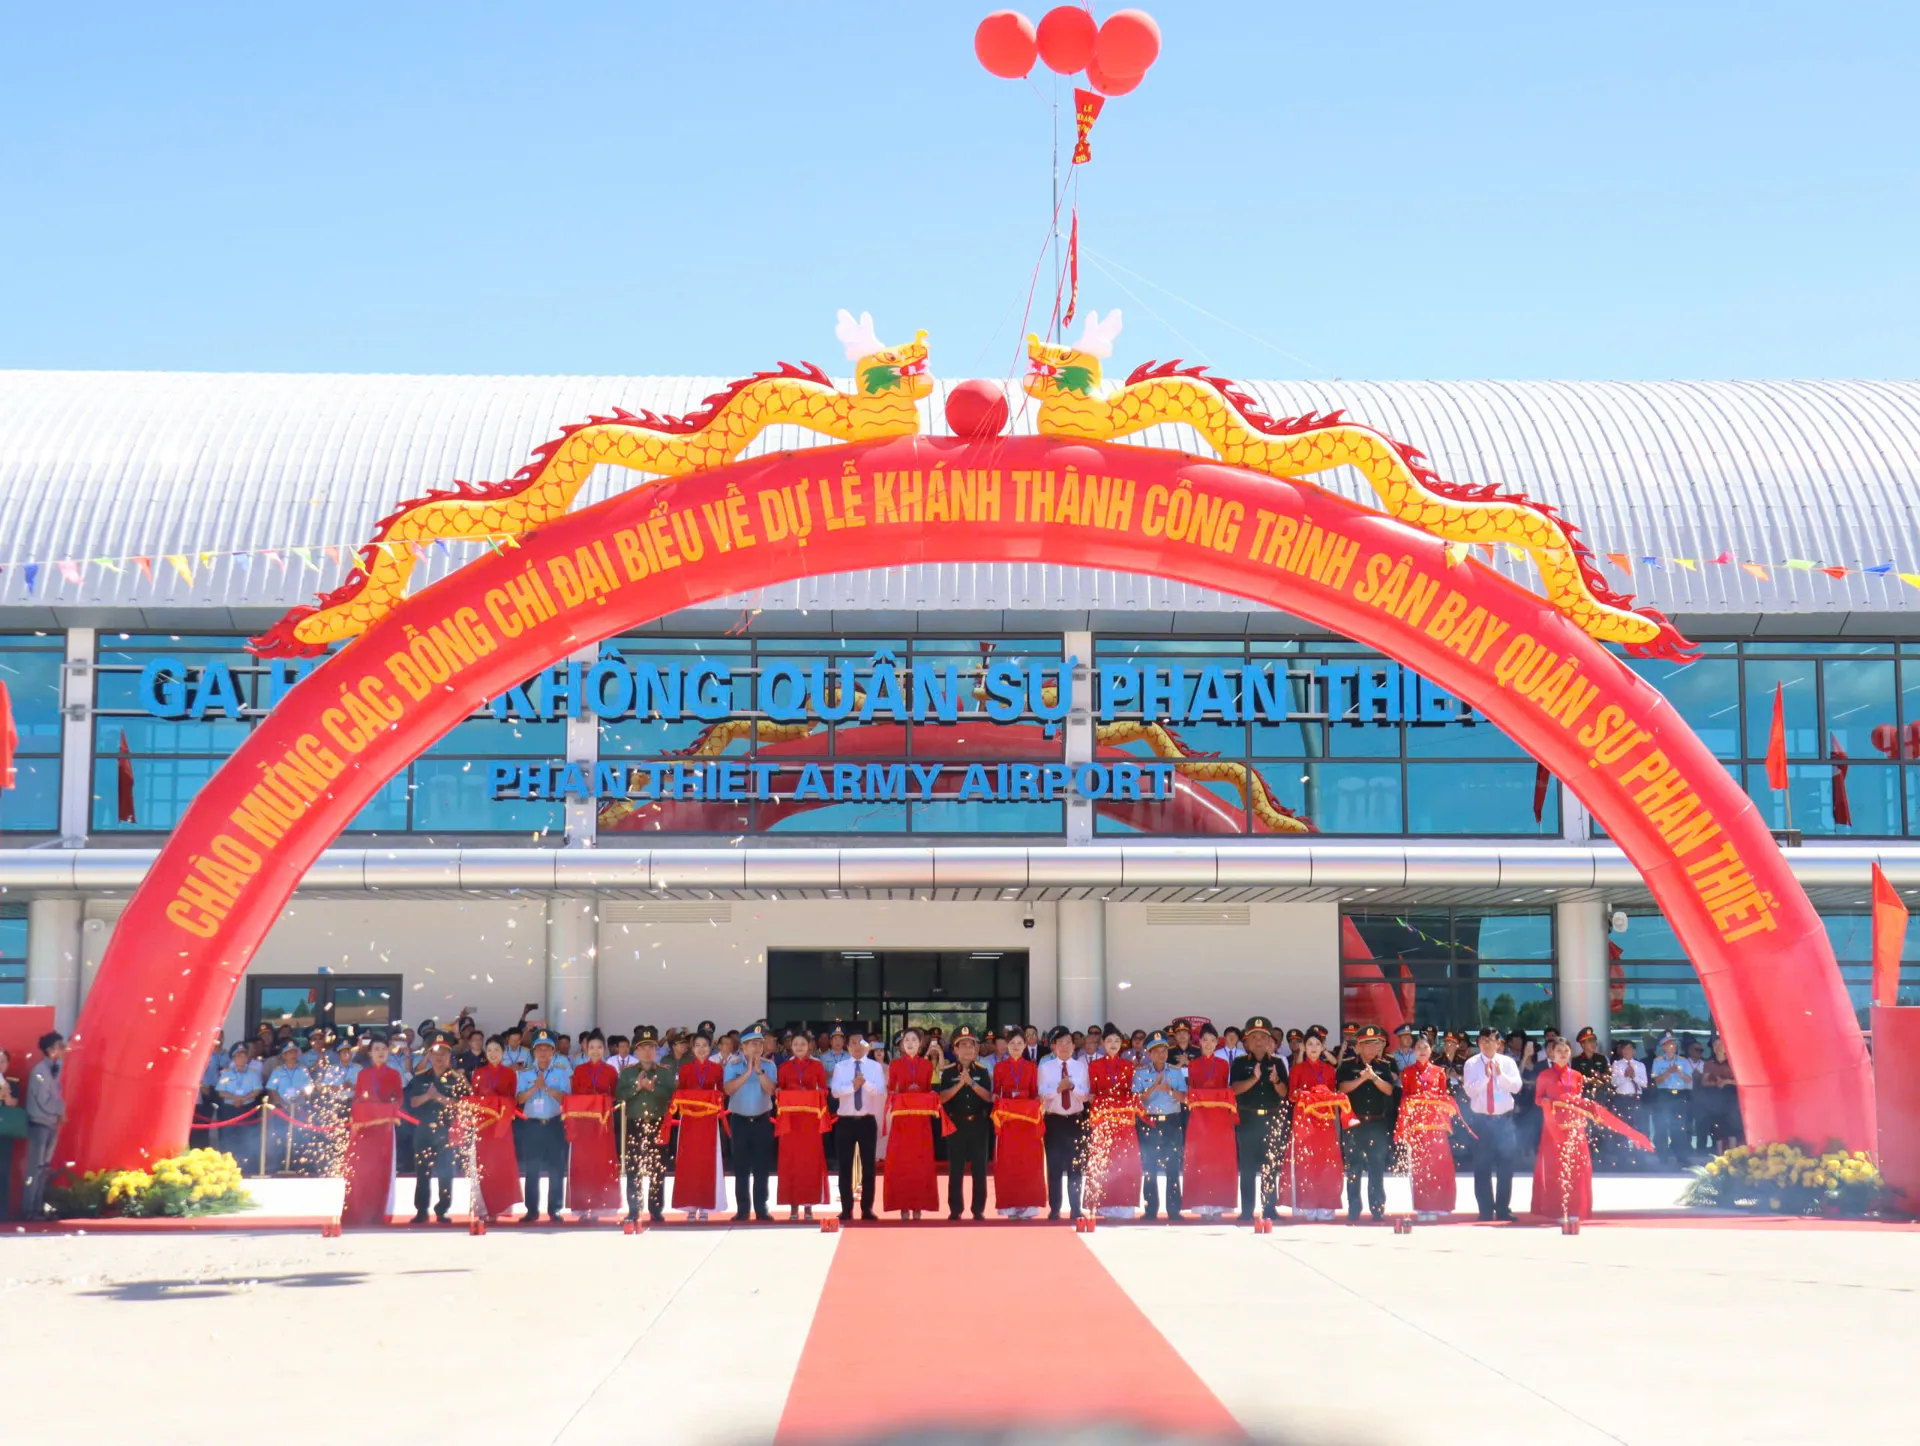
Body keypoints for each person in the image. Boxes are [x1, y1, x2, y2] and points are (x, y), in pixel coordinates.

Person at [1532, 1037, 1652, 1220]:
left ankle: (1576, 1208)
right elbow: (1538, 1098)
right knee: (1555, 1167)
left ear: (1570, 1053)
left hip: (1575, 1127)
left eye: (1566, 1051)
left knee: (1579, 1168)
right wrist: (1548, 1103)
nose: (1562, 1054)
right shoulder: (1544, 1075)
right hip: (1554, 1127)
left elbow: (1578, 1098)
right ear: (1552, 1053)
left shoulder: (1577, 1075)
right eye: (1559, 1051)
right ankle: (1557, 1209)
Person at [1337, 1024, 1400, 1222]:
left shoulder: (1383, 1066)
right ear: (1359, 1046)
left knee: (1376, 1166)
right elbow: (1342, 1089)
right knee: (1353, 1167)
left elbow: (1389, 1090)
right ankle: (1354, 1207)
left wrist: (1373, 1077)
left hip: (1377, 1123)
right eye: (1369, 1044)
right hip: (1354, 1123)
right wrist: (1361, 1079)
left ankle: (1377, 1207)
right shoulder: (1347, 1065)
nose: (1374, 1048)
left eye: (1376, 1044)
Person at [342, 1037, 405, 1227]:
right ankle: (360, 1211)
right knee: (363, 1169)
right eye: (376, 1049)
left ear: (388, 1052)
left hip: (384, 1129)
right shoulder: (363, 1074)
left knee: (381, 1170)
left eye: (383, 1048)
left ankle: (379, 1211)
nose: (380, 1052)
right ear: (370, 1053)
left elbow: (399, 1099)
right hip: (365, 1130)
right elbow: (357, 1099)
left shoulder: (394, 1074)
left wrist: (388, 1108)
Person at [1394, 1034, 1459, 1221]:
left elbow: (1443, 1096)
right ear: (1414, 1051)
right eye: (1418, 1048)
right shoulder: (1407, 1073)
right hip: (1417, 1126)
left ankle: (1442, 1203)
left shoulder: (1439, 1072)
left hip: (1436, 1125)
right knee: (1420, 1166)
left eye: (1425, 1047)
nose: (1422, 1051)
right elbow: (1405, 1099)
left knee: (1441, 1164)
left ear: (1431, 1050)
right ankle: (1423, 1206)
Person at [1460, 1026, 1522, 1221]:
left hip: (1504, 1120)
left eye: (1491, 1040)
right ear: (1479, 1043)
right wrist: (1486, 1077)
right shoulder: (1471, 1063)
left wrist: (1500, 1075)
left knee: (1506, 1166)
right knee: (1482, 1167)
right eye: (1483, 1040)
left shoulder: (1507, 1062)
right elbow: (1469, 1091)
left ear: (1499, 1043)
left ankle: (1503, 1209)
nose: (1487, 1044)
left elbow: (1517, 1087)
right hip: (1481, 1120)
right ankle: (1485, 1210)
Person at [1230, 1016, 1288, 1222]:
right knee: (1246, 1168)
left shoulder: (1277, 1063)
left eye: (1263, 1037)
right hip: (1248, 1120)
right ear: (1246, 1041)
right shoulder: (1239, 1062)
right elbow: (1234, 1089)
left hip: (1271, 1120)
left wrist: (1276, 1080)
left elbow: (1284, 1093)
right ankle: (1247, 1211)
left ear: (1270, 1040)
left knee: (1270, 1167)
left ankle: (1269, 1209)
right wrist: (1254, 1078)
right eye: (1254, 1037)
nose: (1258, 1041)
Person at [1283, 1027, 1345, 1219]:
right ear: (1303, 1046)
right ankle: (1307, 1203)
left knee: (1327, 1160)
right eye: (1309, 1044)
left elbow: (1332, 1093)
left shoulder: (1329, 1069)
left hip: (1325, 1122)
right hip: (1304, 1120)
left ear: (1322, 1047)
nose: (1313, 1047)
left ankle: (1326, 1203)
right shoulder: (1297, 1069)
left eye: (1317, 1044)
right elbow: (1291, 1095)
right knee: (1306, 1161)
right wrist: (1304, 1095)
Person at [404, 1035, 464, 1224]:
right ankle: (421, 1210)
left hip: (446, 1131)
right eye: (436, 1054)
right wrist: (427, 1096)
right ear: (429, 1055)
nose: (439, 1057)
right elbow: (412, 1102)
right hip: (424, 1130)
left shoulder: (456, 1079)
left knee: (446, 1171)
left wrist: (439, 1097)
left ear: (449, 1056)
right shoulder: (421, 1078)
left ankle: (442, 1209)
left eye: (443, 1054)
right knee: (422, 1172)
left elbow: (462, 1104)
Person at [1178, 1024, 1236, 1218]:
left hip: (1219, 1118)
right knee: (1201, 1158)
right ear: (1200, 1043)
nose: (1209, 1044)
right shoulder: (1193, 1065)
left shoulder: (1224, 1064)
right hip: (1200, 1117)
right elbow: (1191, 1092)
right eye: (1205, 1040)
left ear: (1217, 1042)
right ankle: (1201, 1205)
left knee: (1219, 1158)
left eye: (1212, 1040)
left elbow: (1225, 1088)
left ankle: (1219, 1204)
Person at [990, 1020, 1047, 1218]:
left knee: (1028, 1162)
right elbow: (996, 1092)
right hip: (1008, 1124)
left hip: (1027, 1123)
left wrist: (1038, 1099)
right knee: (1008, 1163)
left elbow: (1034, 1093)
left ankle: (1028, 1203)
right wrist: (995, 1098)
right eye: (1012, 1043)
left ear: (1025, 1046)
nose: (1016, 1046)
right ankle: (1010, 1204)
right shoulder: (999, 1068)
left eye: (1019, 1043)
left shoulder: (1031, 1067)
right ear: (1007, 1045)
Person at [937, 1027, 994, 1220]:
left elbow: (988, 1097)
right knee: (956, 1169)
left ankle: (978, 1209)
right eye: (963, 1045)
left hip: (978, 1124)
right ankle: (955, 1209)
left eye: (971, 1045)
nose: (968, 1049)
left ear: (977, 1049)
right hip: (956, 1124)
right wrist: (960, 1084)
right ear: (955, 1050)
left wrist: (972, 1083)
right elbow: (942, 1098)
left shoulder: (983, 1071)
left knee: (979, 1168)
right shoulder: (948, 1072)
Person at [515, 1030, 572, 1224]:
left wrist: (546, 1087)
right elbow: (519, 1099)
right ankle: (531, 1210)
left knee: (556, 1168)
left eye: (547, 1048)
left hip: (554, 1124)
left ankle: (555, 1209)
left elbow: (566, 1098)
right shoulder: (524, 1073)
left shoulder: (561, 1072)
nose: (543, 1052)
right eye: (539, 1048)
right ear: (533, 1051)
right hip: (532, 1125)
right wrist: (535, 1087)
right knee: (532, 1169)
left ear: (553, 1051)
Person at [1086, 1027, 1144, 1218]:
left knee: (1125, 1159)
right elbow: (1092, 1094)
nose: (1113, 1044)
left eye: (1117, 1041)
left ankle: (1125, 1203)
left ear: (1122, 1044)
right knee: (1105, 1159)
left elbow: (1131, 1092)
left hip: (1124, 1121)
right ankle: (1102, 1203)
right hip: (1103, 1120)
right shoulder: (1094, 1066)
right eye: (1109, 1041)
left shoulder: (1128, 1065)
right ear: (1103, 1043)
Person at [884, 1026, 940, 1219]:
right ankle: (903, 1204)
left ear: (921, 1044)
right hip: (902, 1120)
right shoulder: (895, 1065)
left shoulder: (927, 1065)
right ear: (901, 1044)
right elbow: (891, 1090)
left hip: (920, 1121)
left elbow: (928, 1090)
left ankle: (919, 1204)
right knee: (901, 1162)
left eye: (914, 1040)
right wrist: (901, 1094)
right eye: (906, 1040)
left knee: (920, 1161)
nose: (910, 1044)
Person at [669, 1032, 727, 1219]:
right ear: (692, 1049)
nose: (701, 1049)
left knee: (707, 1161)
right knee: (689, 1162)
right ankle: (690, 1205)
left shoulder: (717, 1069)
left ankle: (706, 1205)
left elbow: (722, 1093)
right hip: (689, 1121)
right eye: (697, 1045)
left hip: (709, 1121)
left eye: (705, 1045)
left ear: (710, 1048)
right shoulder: (685, 1069)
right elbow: (680, 1092)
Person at [565, 1032, 622, 1222]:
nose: (595, 1051)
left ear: (604, 1049)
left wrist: (602, 1100)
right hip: (582, 1125)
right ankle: (582, 1206)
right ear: (586, 1049)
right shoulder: (579, 1070)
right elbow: (574, 1095)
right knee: (582, 1164)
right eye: (591, 1047)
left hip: (603, 1125)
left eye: (599, 1047)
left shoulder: (610, 1071)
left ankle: (600, 1205)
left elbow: (615, 1095)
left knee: (601, 1162)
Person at [774, 1029, 830, 1221]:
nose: (799, 1047)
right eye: (796, 1044)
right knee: (790, 1162)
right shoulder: (784, 1067)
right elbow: (779, 1090)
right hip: (790, 1122)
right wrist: (781, 1092)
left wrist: (813, 1093)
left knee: (809, 1162)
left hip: (810, 1122)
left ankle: (808, 1205)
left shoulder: (817, 1066)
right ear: (791, 1046)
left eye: (803, 1044)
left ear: (810, 1046)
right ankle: (793, 1205)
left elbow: (824, 1090)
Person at [466, 1036, 523, 1223]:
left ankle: (499, 1207)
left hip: (501, 1126)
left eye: (496, 1050)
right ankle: (483, 1207)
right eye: (489, 1050)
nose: (492, 1054)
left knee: (500, 1165)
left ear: (503, 1052)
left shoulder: (510, 1074)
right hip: (482, 1127)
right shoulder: (478, 1073)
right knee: (483, 1164)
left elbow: (512, 1100)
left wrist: (496, 1100)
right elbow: (474, 1098)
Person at [723, 1028, 778, 1223]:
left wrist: (759, 1070)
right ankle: (742, 1210)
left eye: (760, 1044)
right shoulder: (733, 1064)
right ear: (743, 1047)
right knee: (741, 1167)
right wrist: (747, 1072)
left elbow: (771, 1090)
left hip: (762, 1120)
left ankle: (761, 1209)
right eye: (753, 1044)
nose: (757, 1047)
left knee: (762, 1167)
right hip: (740, 1121)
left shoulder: (769, 1065)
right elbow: (728, 1089)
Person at [830, 1032, 886, 1221]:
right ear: (848, 1047)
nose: (856, 1046)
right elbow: (835, 1092)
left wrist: (865, 1083)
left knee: (869, 1166)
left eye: (860, 1042)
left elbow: (880, 1090)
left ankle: (867, 1208)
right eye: (852, 1043)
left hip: (866, 1121)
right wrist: (852, 1087)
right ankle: (846, 1209)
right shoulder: (841, 1067)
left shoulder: (874, 1067)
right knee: (844, 1166)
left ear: (866, 1046)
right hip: (845, 1121)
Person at [1133, 1032, 1188, 1221]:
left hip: (1171, 1122)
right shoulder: (1140, 1073)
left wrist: (1169, 1090)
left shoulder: (1175, 1072)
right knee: (1149, 1167)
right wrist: (1153, 1087)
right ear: (1149, 1054)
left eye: (1164, 1050)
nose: (1161, 1054)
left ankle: (1174, 1210)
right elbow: (1136, 1099)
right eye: (1156, 1051)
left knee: (1173, 1167)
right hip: (1149, 1122)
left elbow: (1185, 1098)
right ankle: (1150, 1210)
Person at [1036, 1025, 1089, 1221]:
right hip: (1054, 1120)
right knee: (1055, 1166)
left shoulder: (1081, 1067)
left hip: (1075, 1120)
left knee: (1076, 1166)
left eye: (1068, 1043)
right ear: (1053, 1046)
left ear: (1074, 1046)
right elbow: (1042, 1094)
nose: (1065, 1046)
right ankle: (1055, 1208)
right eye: (1060, 1043)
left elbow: (1085, 1096)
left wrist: (1071, 1087)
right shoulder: (1045, 1067)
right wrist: (1059, 1088)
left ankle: (1076, 1208)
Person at [20, 1033, 66, 1221]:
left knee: (43, 1169)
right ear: (50, 1050)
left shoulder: (53, 1071)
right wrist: (60, 1110)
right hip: (39, 1124)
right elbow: (43, 1100)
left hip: (50, 1124)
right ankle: (28, 1210)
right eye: (60, 1046)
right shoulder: (40, 1071)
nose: (64, 1049)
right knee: (35, 1168)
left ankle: (37, 1208)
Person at [262, 1040, 313, 1175]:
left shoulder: (303, 1070)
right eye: (289, 1053)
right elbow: (272, 1089)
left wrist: (298, 1101)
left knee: (298, 1137)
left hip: (299, 1108)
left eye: (294, 1052)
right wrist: (282, 1104)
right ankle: (280, 1164)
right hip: (282, 1109)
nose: (293, 1055)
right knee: (281, 1136)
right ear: (283, 1056)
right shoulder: (278, 1071)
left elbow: (308, 1088)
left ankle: (297, 1165)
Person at [214, 1042, 266, 1175]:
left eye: (244, 1055)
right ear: (233, 1059)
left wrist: (244, 1098)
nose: (242, 1058)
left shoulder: (253, 1073)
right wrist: (234, 1097)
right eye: (238, 1056)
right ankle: (228, 1168)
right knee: (229, 1138)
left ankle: (247, 1168)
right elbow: (220, 1091)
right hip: (230, 1109)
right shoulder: (226, 1074)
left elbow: (257, 1090)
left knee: (247, 1138)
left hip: (247, 1109)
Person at [1646, 1035, 1695, 1164]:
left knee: (1679, 1126)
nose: (1672, 1046)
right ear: (1663, 1047)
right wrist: (1668, 1072)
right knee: (1662, 1125)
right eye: (1669, 1044)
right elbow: (1656, 1080)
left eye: (1674, 1044)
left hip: (1679, 1095)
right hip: (1664, 1095)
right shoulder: (1658, 1061)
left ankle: (1681, 1156)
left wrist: (1678, 1072)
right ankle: (1663, 1156)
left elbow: (1689, 1079)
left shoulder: (1684, 1061)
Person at [1695, 1038, 1741, 1154]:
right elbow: (1704, 1082)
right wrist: (1716, 1083)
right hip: (1716, 1098)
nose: (1718, 1047)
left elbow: (1740, 1081)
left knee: (1732, 1125)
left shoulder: (1733, 1062)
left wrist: (1726, 1081)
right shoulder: (1709, 1064)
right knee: (1718, 1126)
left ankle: (1733, 1154)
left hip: (1731, 1097)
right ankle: (1719, 1155)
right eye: (1715, 1045)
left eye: (1721, 1044)